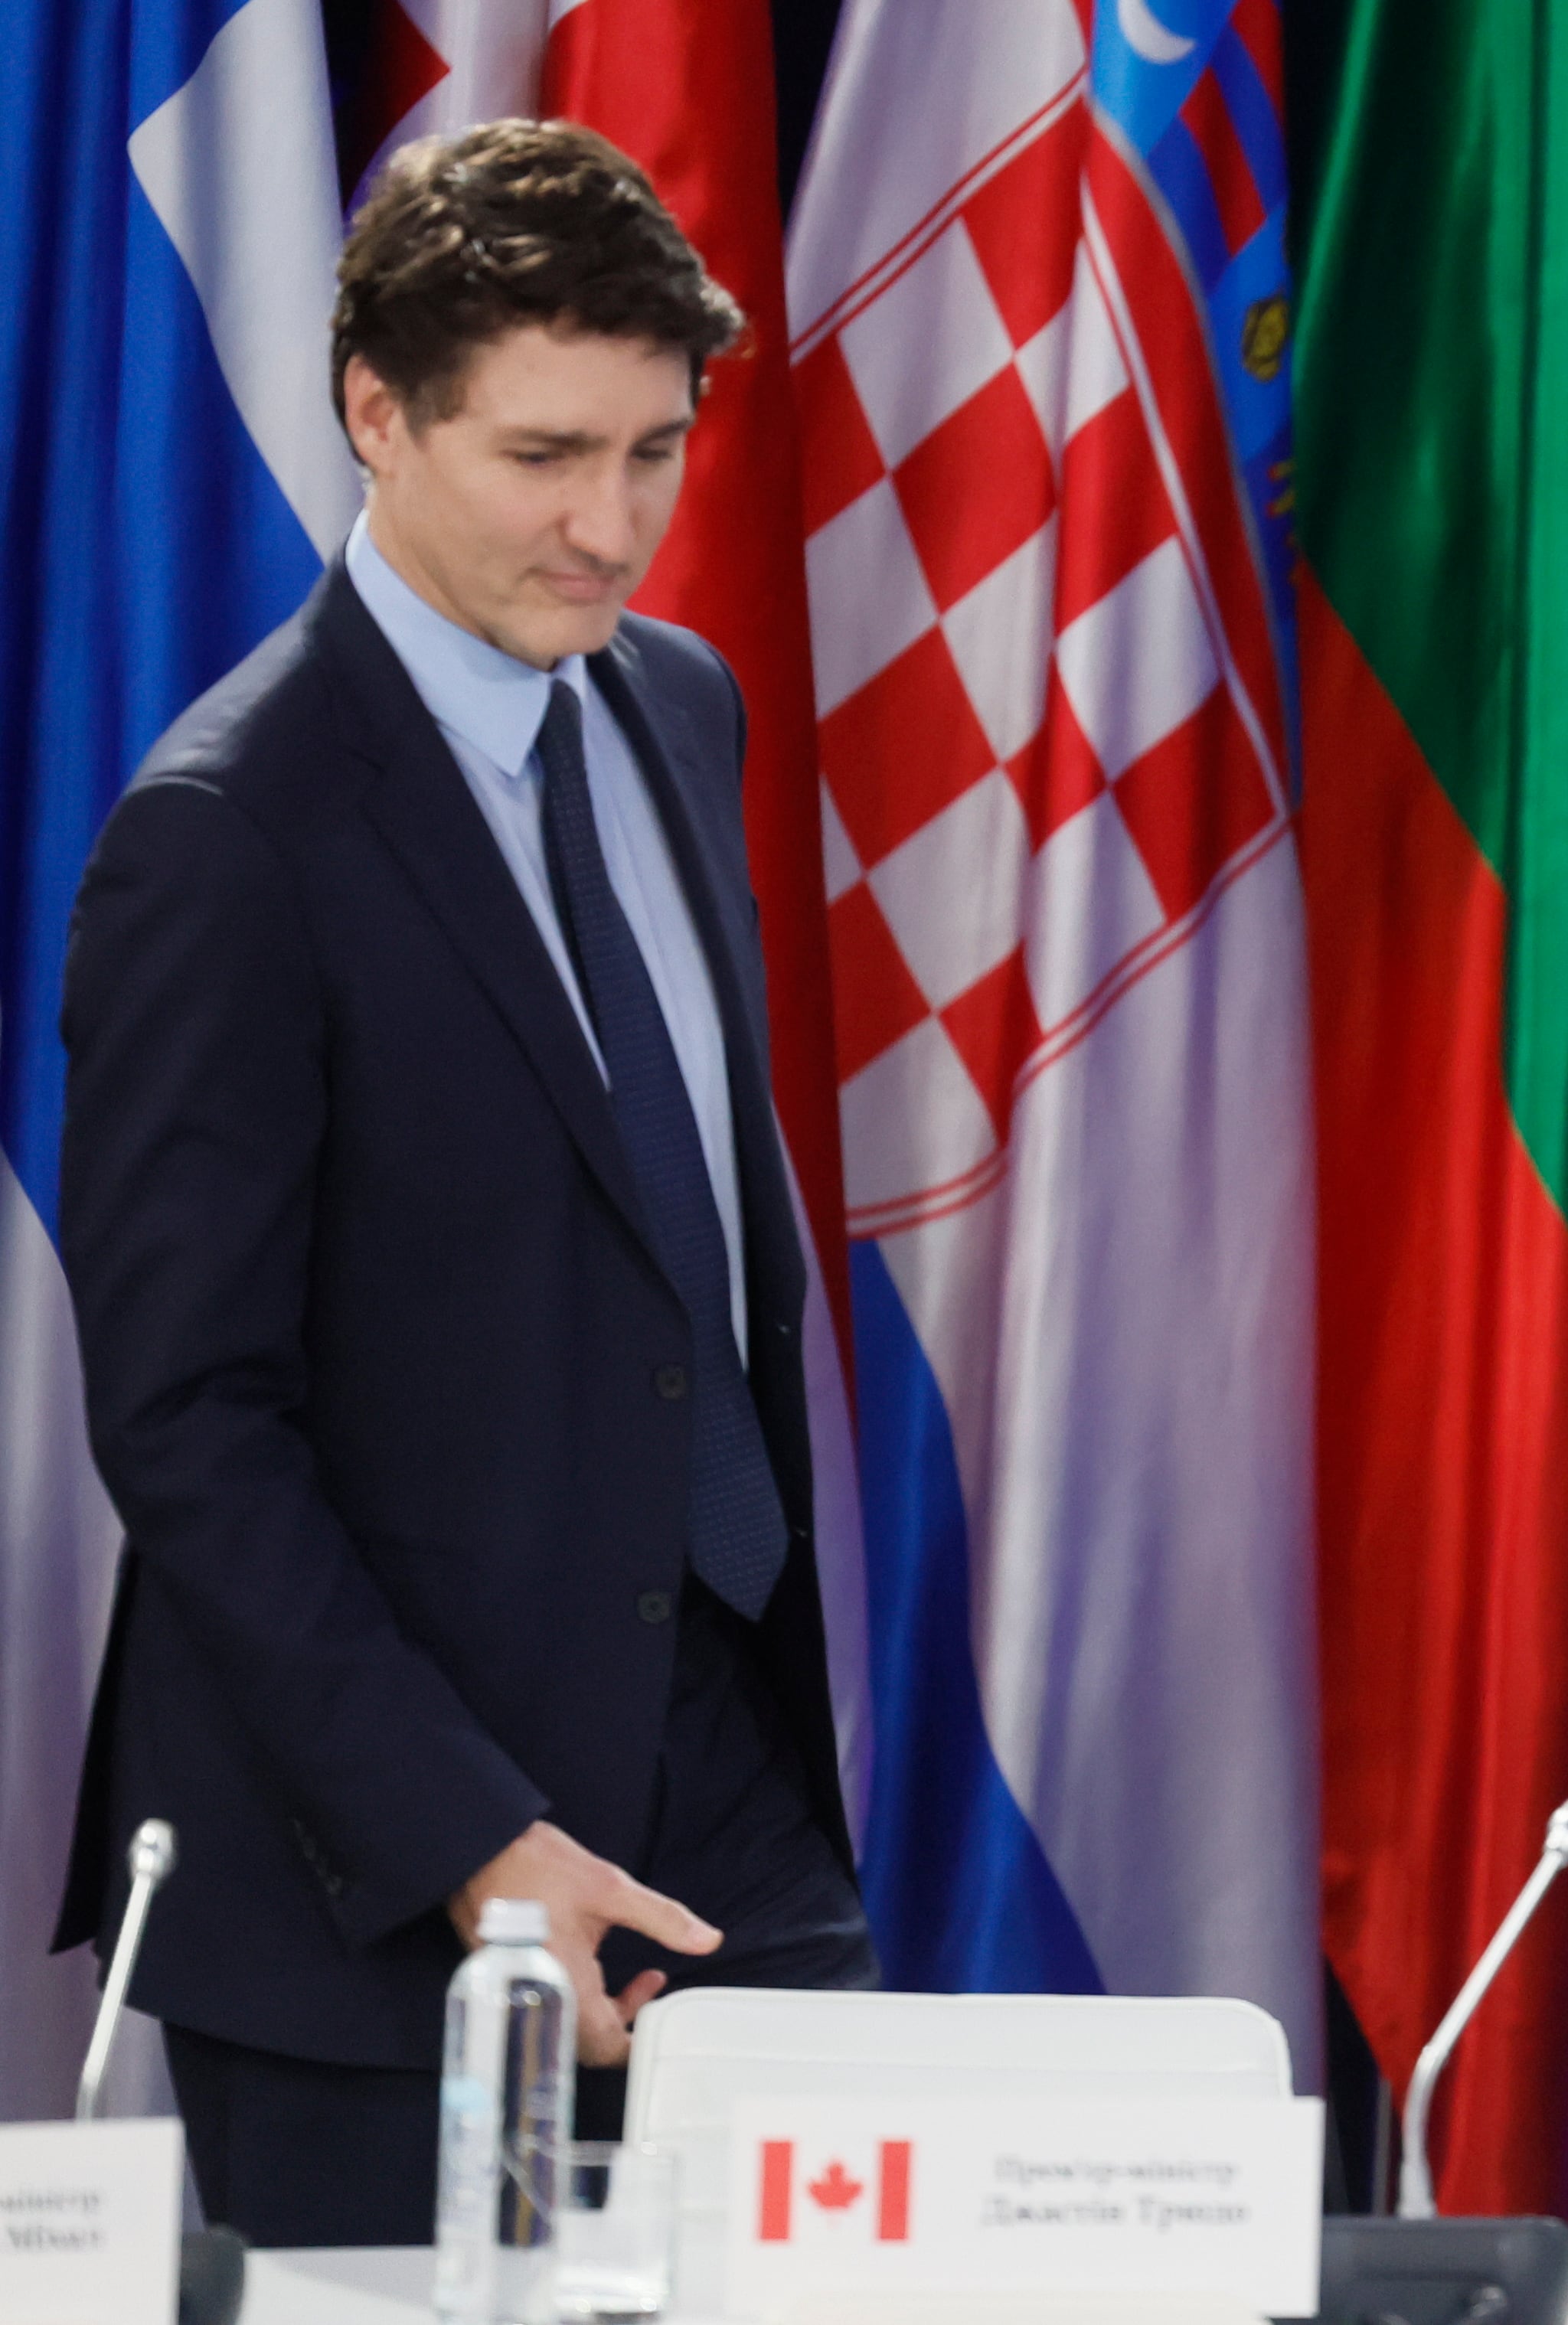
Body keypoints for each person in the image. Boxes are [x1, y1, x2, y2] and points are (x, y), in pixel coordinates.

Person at [52, 122, 874, 2245]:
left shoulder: (680, 708)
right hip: (375, 1885)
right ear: (373, 414)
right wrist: (468, 1836)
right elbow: (188, 1424)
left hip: (726, 1802)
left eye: (654, 449)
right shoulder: (225, 839)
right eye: (540, 456)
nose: (610, 526)